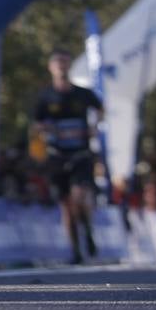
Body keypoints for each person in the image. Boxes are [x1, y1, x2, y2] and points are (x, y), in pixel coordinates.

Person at [31, 49, 104, 264]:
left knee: (80, 195)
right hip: (57, 156)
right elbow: (36, 123)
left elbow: (101, 109)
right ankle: (75, 250)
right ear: (51, 67)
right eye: (57, 63)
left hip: (80, 153)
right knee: (66, 205)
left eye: (65, 63)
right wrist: (44, 130)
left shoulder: (83, 93)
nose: (61, 67)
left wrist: (94, 126)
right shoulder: (45, 96)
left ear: (69, 66)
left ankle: (88, 229)